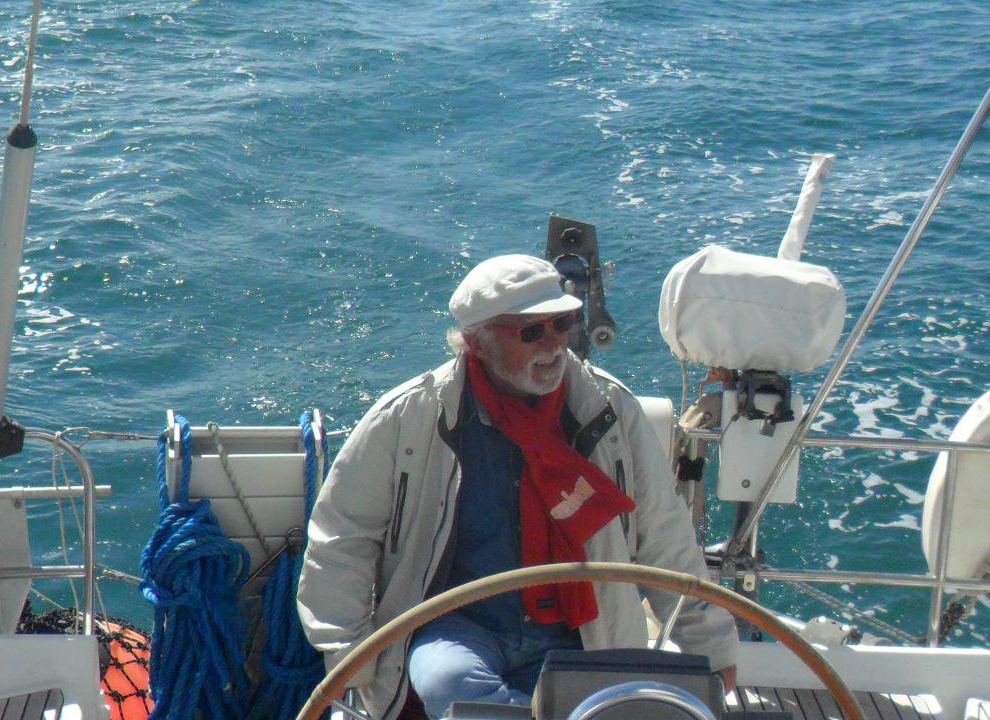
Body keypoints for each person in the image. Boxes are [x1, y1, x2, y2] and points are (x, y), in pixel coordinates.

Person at [298, 254, 739, 719]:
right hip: (458, 624)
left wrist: (710, 645)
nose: (553, 344)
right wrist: (346, 650)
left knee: (576, 697)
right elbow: (343, 537)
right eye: (530, 332)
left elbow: (663, 533)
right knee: (448, 682)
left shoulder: (610, 410)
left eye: (562, 324)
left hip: (584, 628)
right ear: (477, 342)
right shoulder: (407, 419)